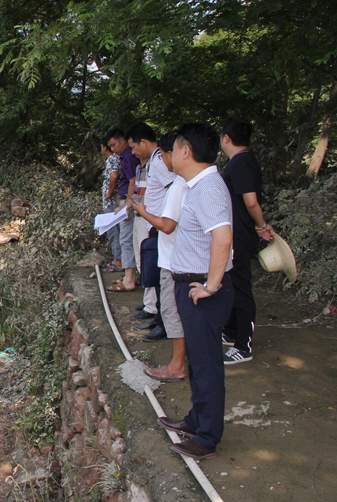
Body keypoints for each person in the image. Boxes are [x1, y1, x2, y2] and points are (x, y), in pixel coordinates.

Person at [157, 122, 234, 460]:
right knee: (196, 360)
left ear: (186, 152)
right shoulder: (195, 185)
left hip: (202, 289)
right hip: (189, 284)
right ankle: (196, 420)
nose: (170, 156)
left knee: (206, 364)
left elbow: (223, 237)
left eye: (173, 149)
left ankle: (207, 438)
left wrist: (211, 286)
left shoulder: (209, 188)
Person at [131, 131, 188, 380]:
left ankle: (177, 365)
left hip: (174, 255)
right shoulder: (200, 182)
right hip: (174, 252)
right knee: (168, 300)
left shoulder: (180, 183)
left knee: (173, 306)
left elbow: (168, 225)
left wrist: (143, 212)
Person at [219, 116, 272, 365]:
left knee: (240, 287)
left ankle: (244, 345)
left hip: (240, 235)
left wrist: (261, 225)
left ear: (226, 138)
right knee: (230, 282)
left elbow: (250, 200)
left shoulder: (241, 163)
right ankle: (230, 331)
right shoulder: (240, 161)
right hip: (233, 234)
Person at [126, 122, 170, 334]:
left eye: (134, 147)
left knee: (161, 274)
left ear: (144, 142)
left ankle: (162, 321)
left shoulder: (160, 162)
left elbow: (172, 189)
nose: (133, 152)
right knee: (156, 272)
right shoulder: (153, 162)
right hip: (154, 222)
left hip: (160, 223)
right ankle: (158, 317)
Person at [105, 128, 140, 293]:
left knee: (126, 239)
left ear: (122, 141)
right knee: (126, 238)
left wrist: (127, 204)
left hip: (129, 201)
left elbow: (133, 181)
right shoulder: (124, 157)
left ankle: (129, 278)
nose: (113, 149)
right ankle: (128, 275)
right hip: (128, 200)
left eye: (113, 145)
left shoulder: (129, 157)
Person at [100, 141, 122, 272]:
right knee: (114, 230)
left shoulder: (112, 159)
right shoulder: (114, 159)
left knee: (114, 230)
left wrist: (109, 193)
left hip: (112, 203)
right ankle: (117, 258)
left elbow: (114, 175)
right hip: (111, 202)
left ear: (104, 147)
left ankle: (118, 260)